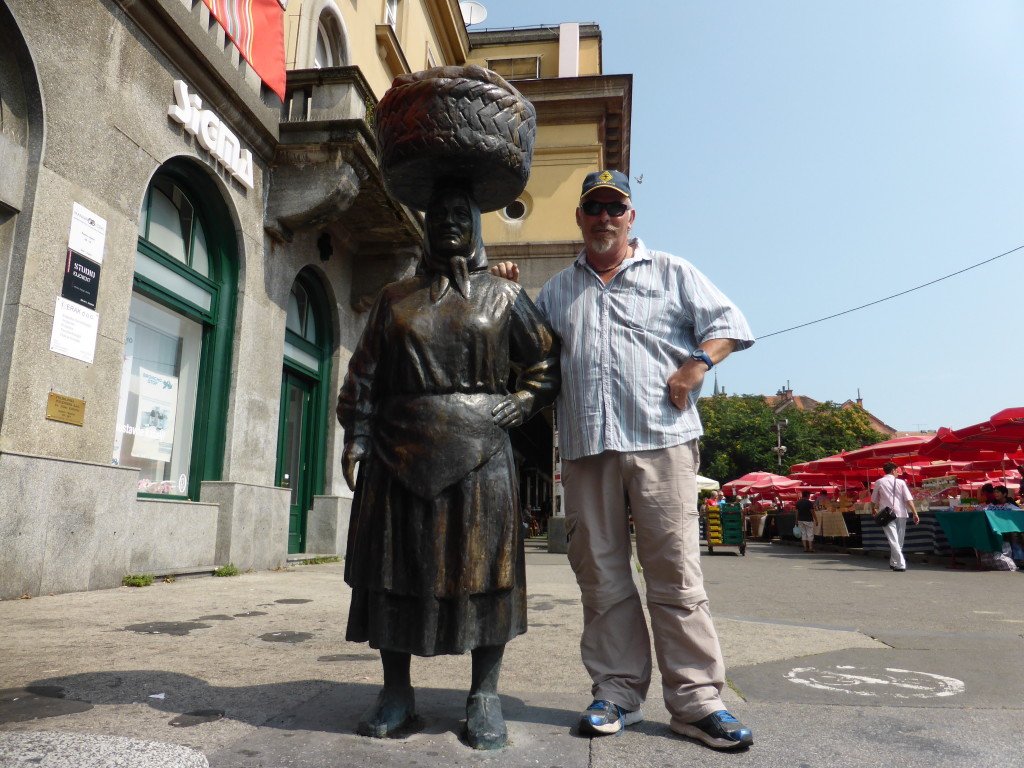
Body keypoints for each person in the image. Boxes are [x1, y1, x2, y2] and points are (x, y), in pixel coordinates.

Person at [493, 169, 755, 750]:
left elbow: (730, 325)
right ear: (581, 218)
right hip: (586, 446)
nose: (604, 217)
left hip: (662, 437)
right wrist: (507, 292)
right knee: (601, 574)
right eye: (594, 208)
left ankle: (697, 701)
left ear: (631, 217)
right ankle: (616, 691)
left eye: (615, 207)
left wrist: (698, 365)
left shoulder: (671, 271)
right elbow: (527, 358)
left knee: (675, 569)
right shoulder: (559, 289)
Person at [337, 183, 559, 749]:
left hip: (482, 452)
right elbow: (364, 375)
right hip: (398, 448)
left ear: (478, 227)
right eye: (438, 215)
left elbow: (545, 362)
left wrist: (525, 401)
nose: (449, 223)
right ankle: (395, 691)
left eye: (460, 214)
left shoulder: (504, 296)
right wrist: (358, 436)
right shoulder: (394, 298)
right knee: (395, 569)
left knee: (486, 571)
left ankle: (484, 694)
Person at [870, 462, 919, 571]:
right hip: (901, 513)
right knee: (898, 540)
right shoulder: (901, 482)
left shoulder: (879, 482)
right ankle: (899, 563)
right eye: (897, 471)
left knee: (893, 540)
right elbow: (908, 500)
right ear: (893, 470)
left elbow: (873, 499)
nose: (898, 473)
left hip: (886, 514)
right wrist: (915, 513)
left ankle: (896, 562)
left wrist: (872, 509)